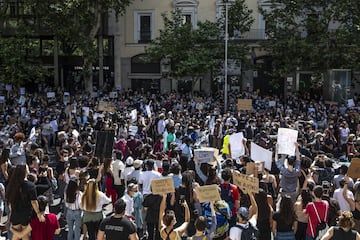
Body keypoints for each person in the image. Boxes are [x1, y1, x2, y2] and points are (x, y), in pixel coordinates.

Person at [6, 165, 45, 240]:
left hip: (15, 212)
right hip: (26, 213)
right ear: (25, 172)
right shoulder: (30, 186)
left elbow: (9, 201)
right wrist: (38, 213)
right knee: (25, 234)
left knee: (16, 234)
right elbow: (34, 201)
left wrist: (11, 213)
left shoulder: (11, 184)